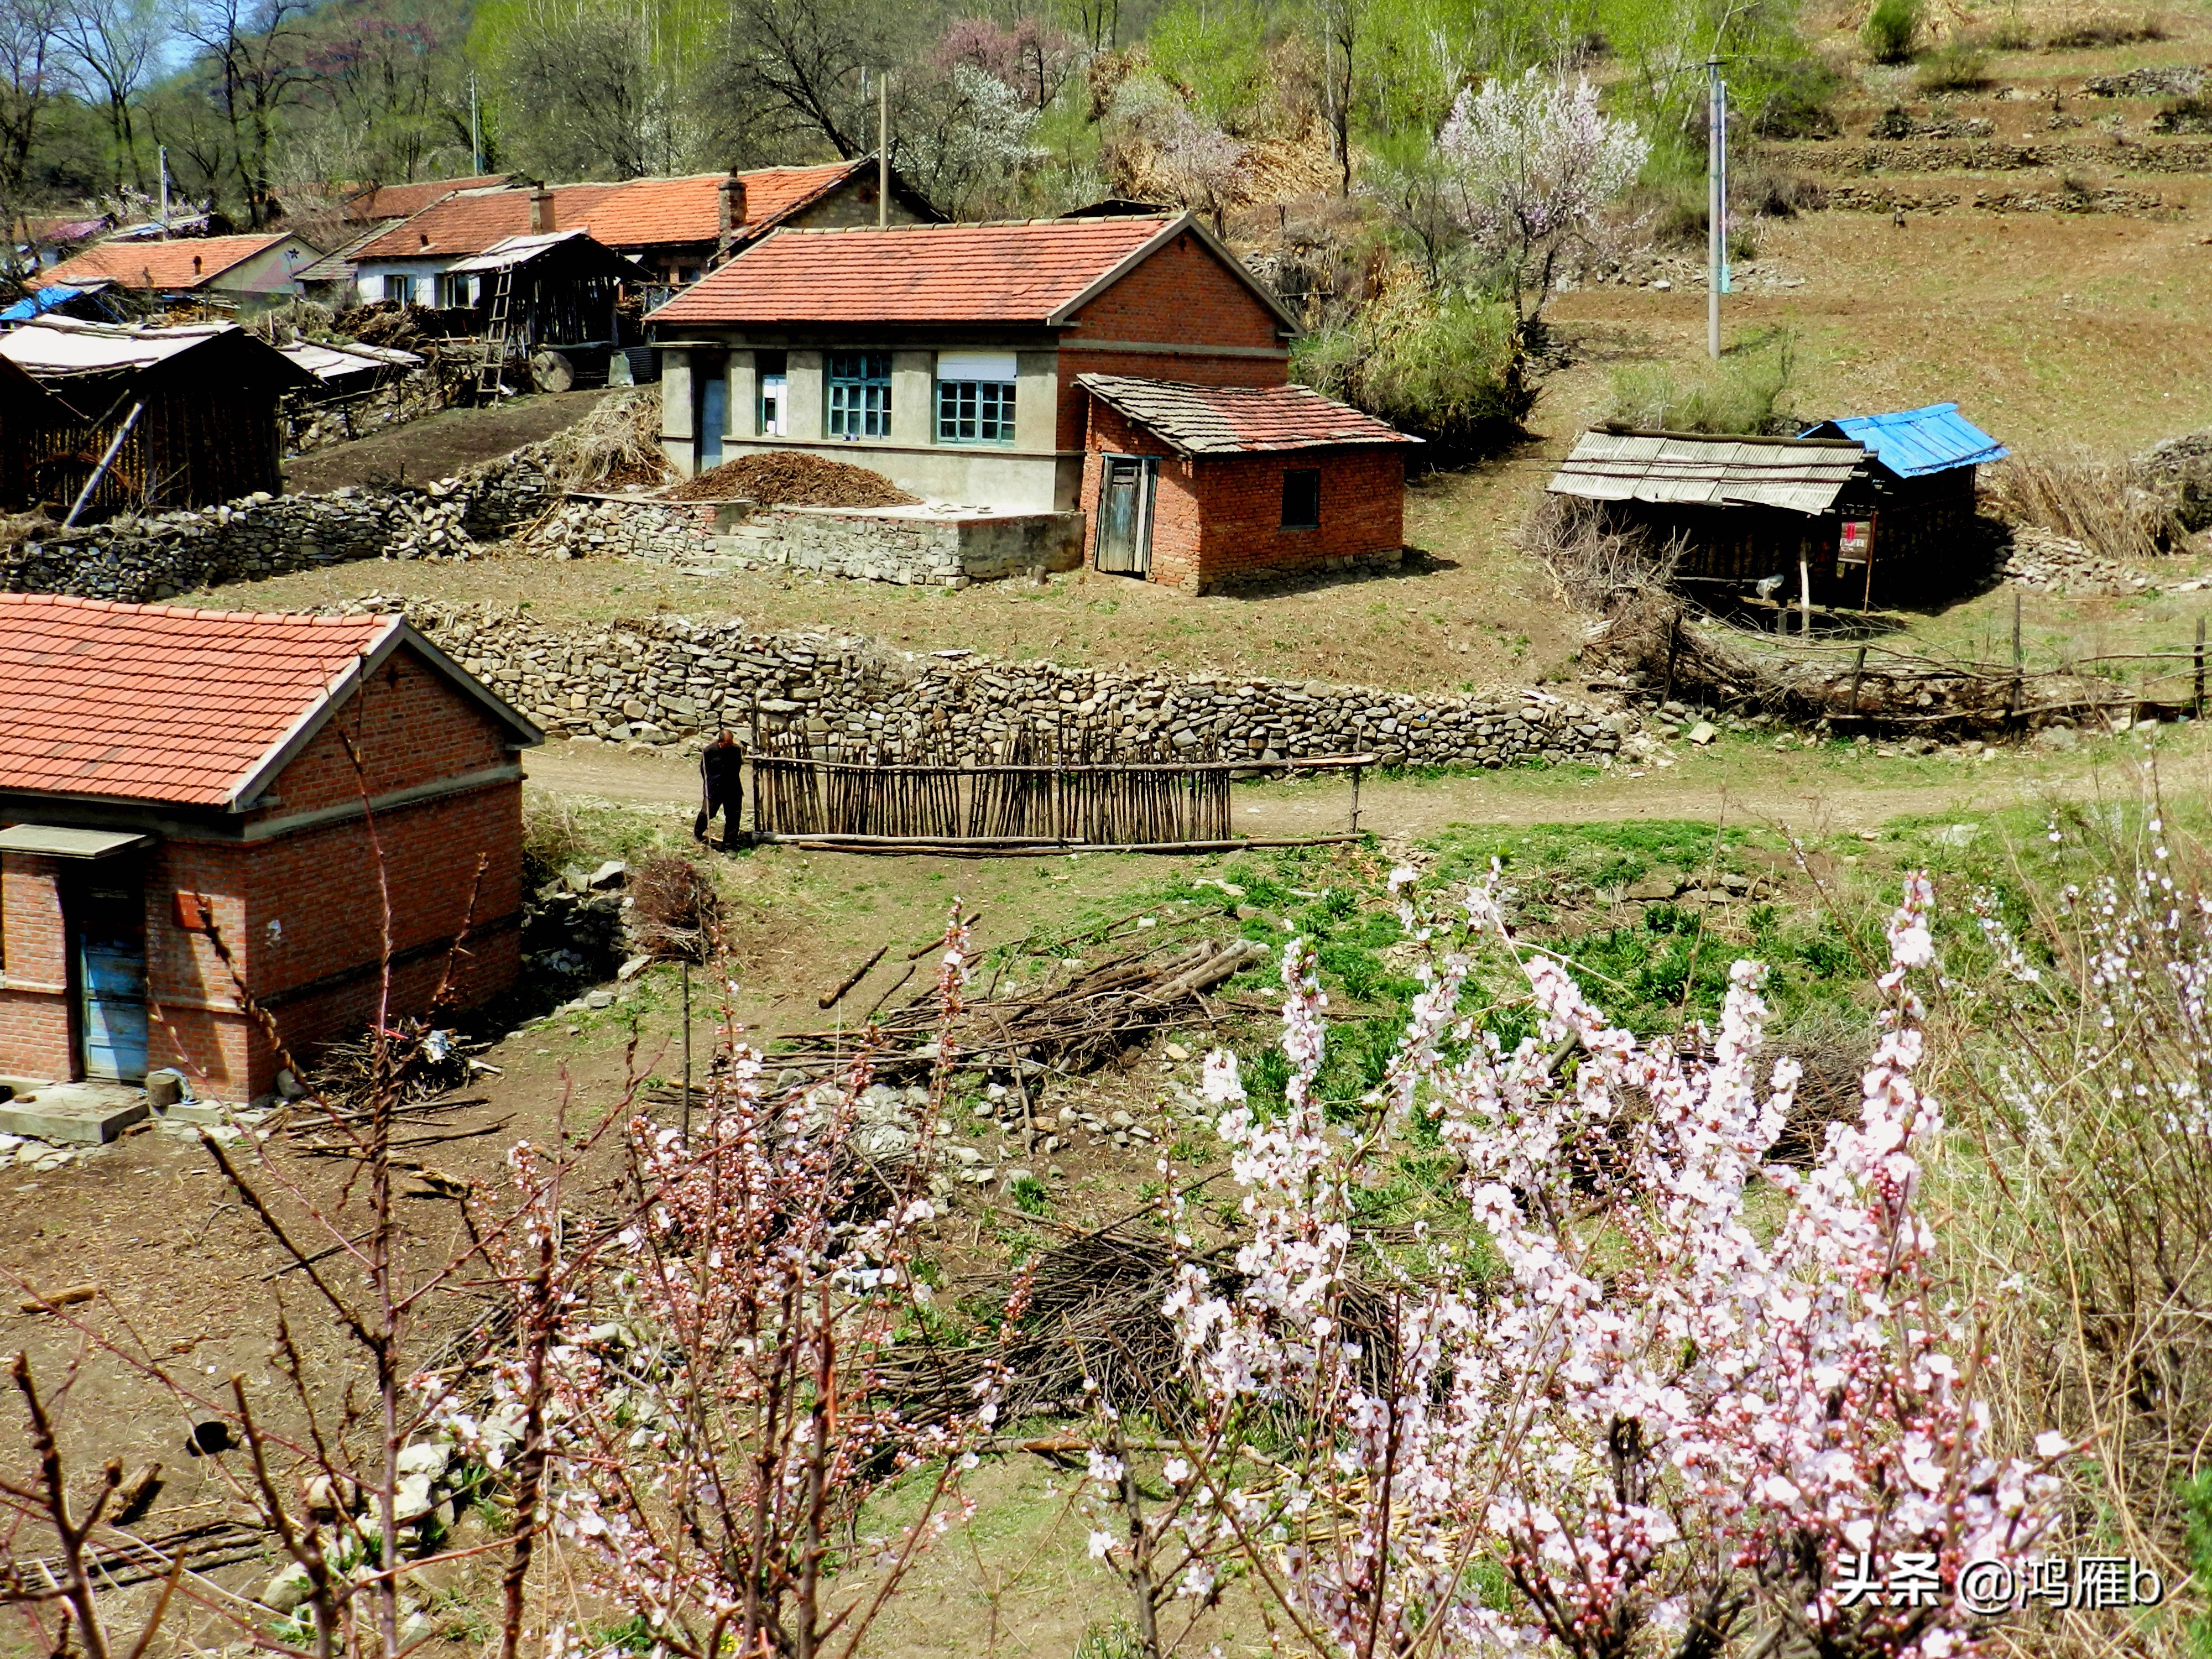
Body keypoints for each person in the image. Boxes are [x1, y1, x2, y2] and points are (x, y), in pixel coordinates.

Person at [696, 730, 744, 847]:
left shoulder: (736, 750)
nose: (729, 746)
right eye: (727, 744)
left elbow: (737, 767)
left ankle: (729, 843)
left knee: (733, 815)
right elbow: (704, 770)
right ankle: (697, 834)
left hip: (733, 787)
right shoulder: (709, 751)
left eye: (731, 743)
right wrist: (711, 784)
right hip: (714, 788)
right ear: (720, 742)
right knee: (707, 813)